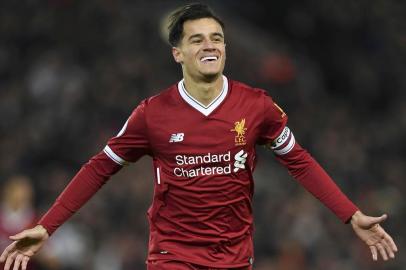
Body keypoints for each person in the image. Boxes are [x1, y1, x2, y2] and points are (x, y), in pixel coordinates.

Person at [0, 3, 398, 270]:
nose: (210, 45)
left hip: (235, 256)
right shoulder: (152, 114)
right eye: (197, 39)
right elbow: (99, 168)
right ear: (178, 53)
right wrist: (47, 226)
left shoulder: (256, 106)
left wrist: (352, 215)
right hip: (173, 255)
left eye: (217, 38)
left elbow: (299, 160)